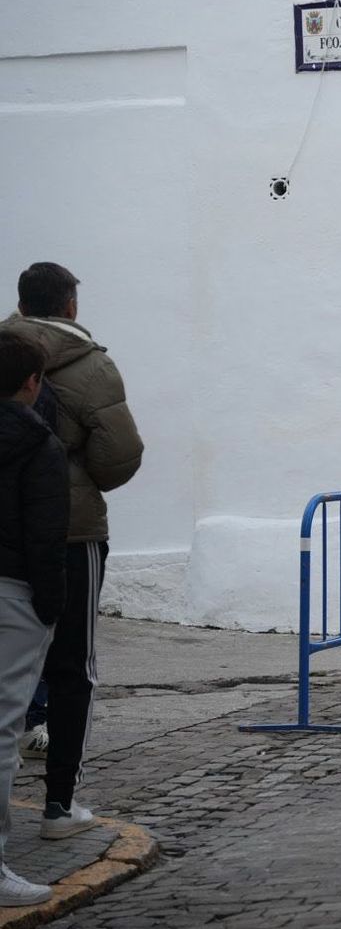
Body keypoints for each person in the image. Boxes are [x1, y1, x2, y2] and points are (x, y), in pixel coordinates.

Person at [0, 263, 142, 840]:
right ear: (71, 307)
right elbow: (121, 454)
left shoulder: (4, 354)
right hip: (72, 531)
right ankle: (60, 806)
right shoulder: (93, 366)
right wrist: (71, 474)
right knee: (72, 668)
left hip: (4, 533)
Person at [0, 330, 68, 906]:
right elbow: (47, 536)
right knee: (3, 731)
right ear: (31, 382)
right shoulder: (36, 443)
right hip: (13, 592)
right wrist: (51, 607)